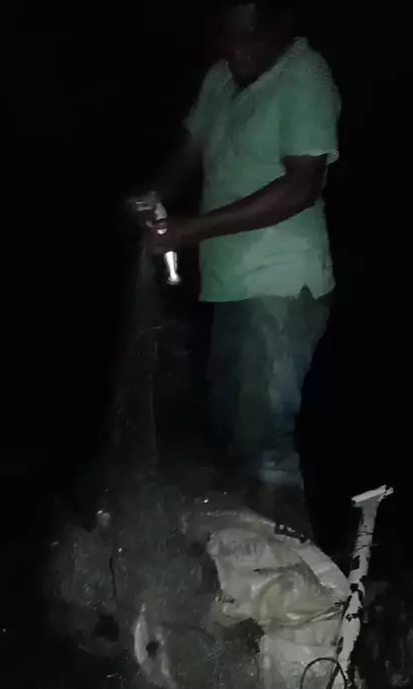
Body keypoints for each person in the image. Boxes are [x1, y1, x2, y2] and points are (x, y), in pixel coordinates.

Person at [141, 0, 340, 501]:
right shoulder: (220, 77)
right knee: (230, 424)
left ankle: (289, 544)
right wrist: (153, 196)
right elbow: (191, 150)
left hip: (280, 282)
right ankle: (249, 538)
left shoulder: (305, 75)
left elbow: (302, 186)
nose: (237, 50)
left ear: (282, 26)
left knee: (266, 441)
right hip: (227, 282)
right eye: (228, 37)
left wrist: (192, 231)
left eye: (250, 38)